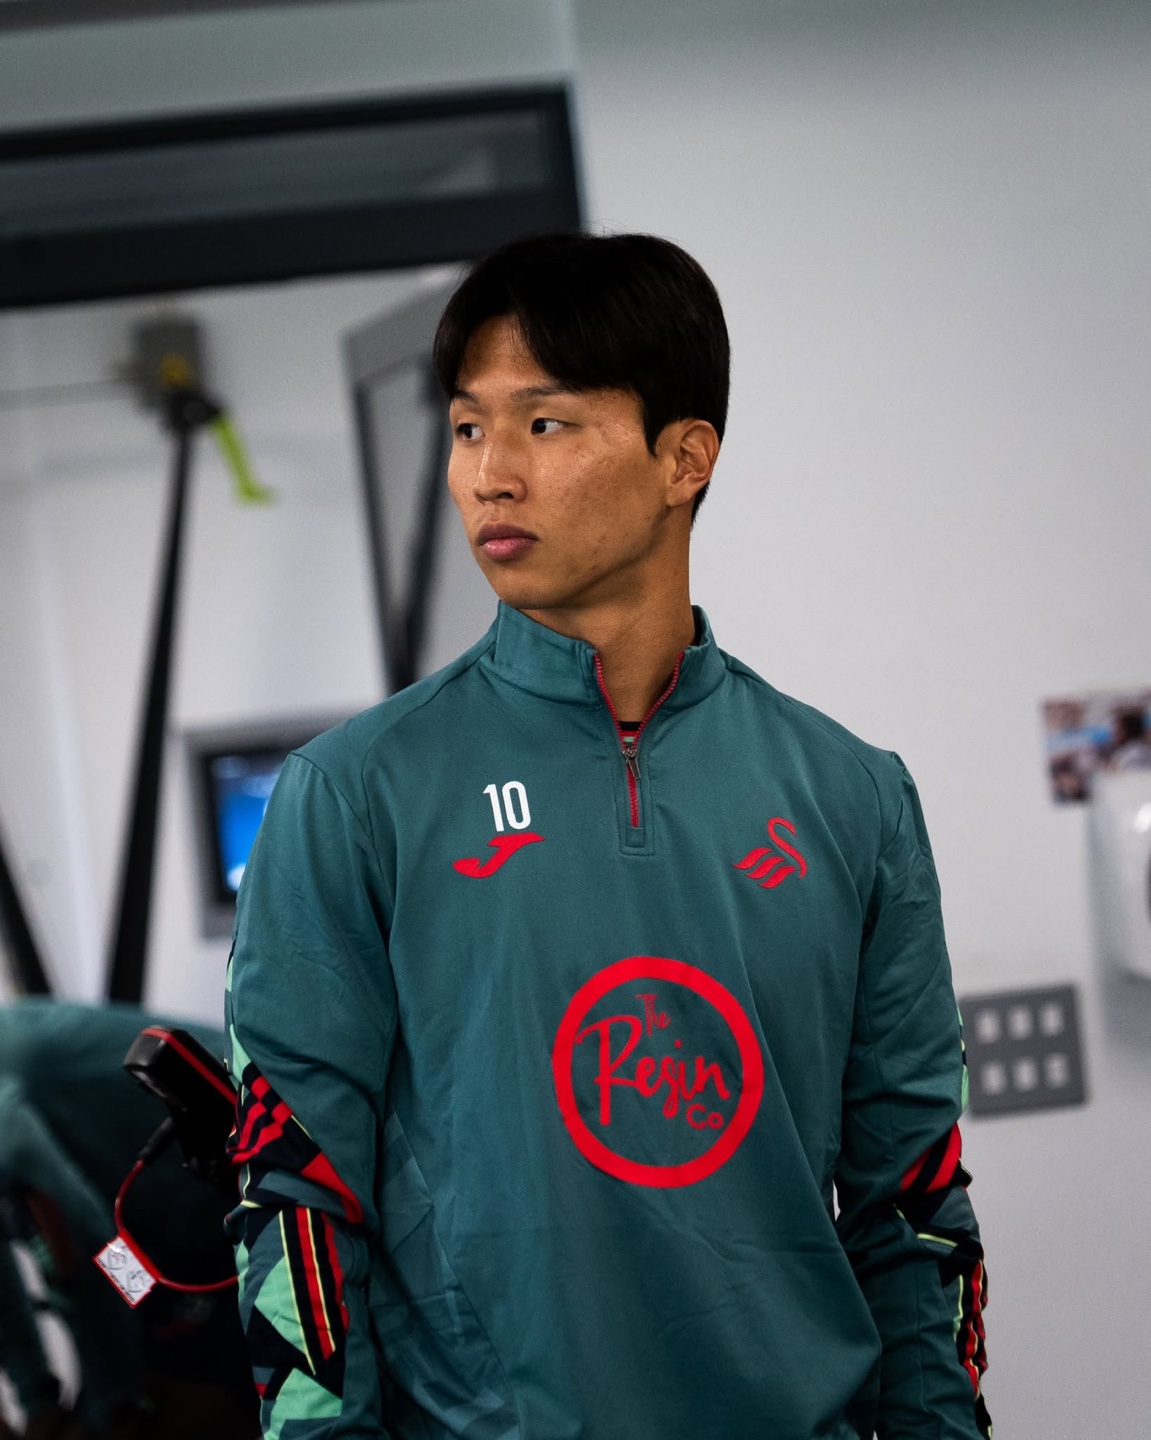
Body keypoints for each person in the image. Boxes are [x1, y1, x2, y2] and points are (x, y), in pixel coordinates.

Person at [226, 232, 990, 1439]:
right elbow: (295, 1198)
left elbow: (914, 1204)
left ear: (684, 458)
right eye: (467, 427)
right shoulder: (353, 794)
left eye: (544, 424)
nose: (488, 475)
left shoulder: (853, 796)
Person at [0, 999, 257, 1440]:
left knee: (185, 1398)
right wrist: (37, 1402)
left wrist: (112, 1402)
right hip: (169, 1218)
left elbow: (91, 1239)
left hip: (239, 1179)